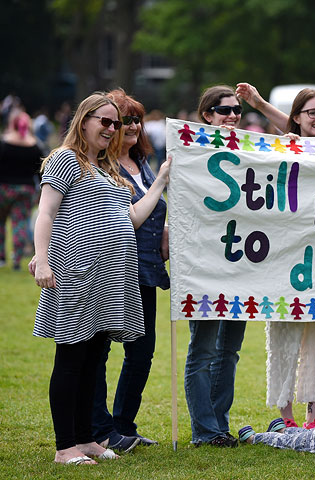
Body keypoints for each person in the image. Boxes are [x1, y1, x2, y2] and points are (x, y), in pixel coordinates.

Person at [30, 92, 170, 465]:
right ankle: (64, 447)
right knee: (71, 359)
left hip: (111, 280)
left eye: (116, 124)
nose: (111, 129)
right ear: (84, 120)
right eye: (104, 122)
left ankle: (87, 439)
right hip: (76, 274)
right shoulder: (66, 159)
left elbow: (132, 218)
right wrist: (42, 260)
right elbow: (45, 214)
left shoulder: (107, 169)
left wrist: (161, 182)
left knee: (94, 360)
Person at [237, 84, 315, 429]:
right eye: (311, 112)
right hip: (285, 259)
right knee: (283, 334)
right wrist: (255, 107)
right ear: (296, 117)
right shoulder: (280, 148)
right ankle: (285, 415)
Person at [91, 89, 170, 451]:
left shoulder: (142, 165)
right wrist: (161, 182)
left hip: (148, 271)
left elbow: (155, 215)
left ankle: (123, 424)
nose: (134, 125)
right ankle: (100, 429)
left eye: (137, 119)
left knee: (142, 351)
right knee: (100, 350)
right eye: (125, 120)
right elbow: (129, 218)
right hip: (115, 269)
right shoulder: (104, 168)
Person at [184, 85, 247, 447]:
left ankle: (218, 425)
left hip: (241, 263)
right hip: (204, 264)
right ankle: (204, 430)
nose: (232, 116)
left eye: (236, 110)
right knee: (204, 348)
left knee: (229, 351)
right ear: (207, 114)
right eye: (225, 110)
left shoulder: (251, 150)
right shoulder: (191, 150)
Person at [0, 111, 43, 270]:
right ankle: (17, 259)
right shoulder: (35, 146)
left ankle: (1, 258)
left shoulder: (4, 144)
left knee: (1, 223)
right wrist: (40, 192)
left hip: (3, 189)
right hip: (25, 191)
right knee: (20, 224)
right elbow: (41, 172)